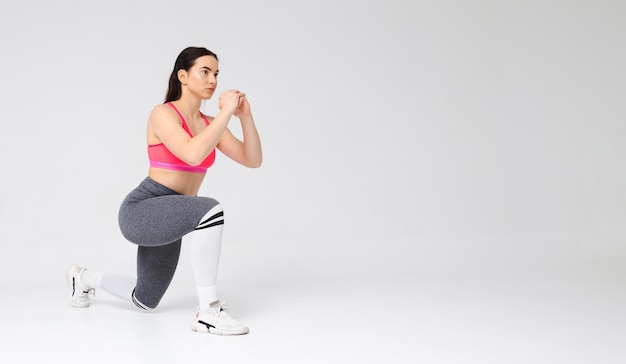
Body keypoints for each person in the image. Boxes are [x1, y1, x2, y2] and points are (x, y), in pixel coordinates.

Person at [66, 46, 262, 336]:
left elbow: (252, 159)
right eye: (204, 71)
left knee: (145, 300)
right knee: (211, 209)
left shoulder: (210, 124)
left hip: (173, 213)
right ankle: (208, 311)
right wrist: (225, 112)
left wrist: (244, 116)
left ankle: (82, 278)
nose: (213, 80)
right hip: (143, 208)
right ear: (183, 76)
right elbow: (192, 154)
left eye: (216, 74)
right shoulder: (163, 114)